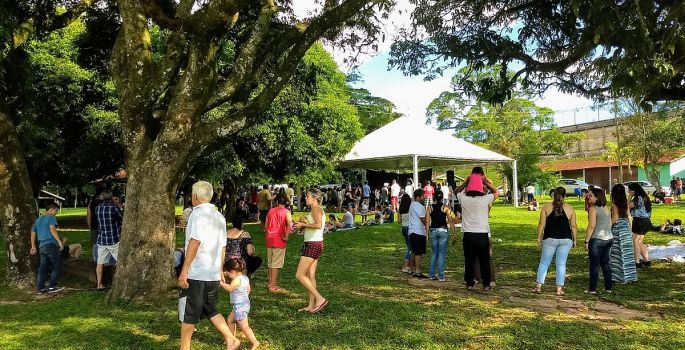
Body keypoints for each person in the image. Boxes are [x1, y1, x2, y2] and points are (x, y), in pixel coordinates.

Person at [178, 181, 239, 350]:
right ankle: (231, 339)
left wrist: (184, 270)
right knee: (210, 308)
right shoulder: (219, 216)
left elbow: (195, 241)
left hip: (197, 273)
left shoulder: (197, 215)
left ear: (195, 196)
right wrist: (219, 269)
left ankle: (184, 348)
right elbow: (222, 246)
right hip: (212, 273)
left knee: (189, 313)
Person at [455, 173, 499, 291]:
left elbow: (456, 191)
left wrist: (466, 182)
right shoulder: (484, 199)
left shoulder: (464, 199)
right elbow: (496, 192)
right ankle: (486, 284)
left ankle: (469, 283)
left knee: (469, 260)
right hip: (482, 235)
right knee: (484, 260)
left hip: (468, 235)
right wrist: (485, 182)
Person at [533, 187, 577, 296]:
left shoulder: (546, 207)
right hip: (566, 239)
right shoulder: (570, 208)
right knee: (561, 263)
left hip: (550, 238)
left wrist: (539, 237)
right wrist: (575, 239)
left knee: (544, 262)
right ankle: (559, 289)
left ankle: (538, 286)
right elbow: (574, 226)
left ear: (553, 195)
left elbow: (541, 224)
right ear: (565, 196)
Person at [293, 188, 329, 313]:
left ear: (314, 198)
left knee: (299, 275)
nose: (305, 198)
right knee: (310, 275)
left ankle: (319, 299)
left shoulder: (316, 209)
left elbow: (319, 225)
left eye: (307, 196)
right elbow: (313, 226)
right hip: (315, 243)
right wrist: (303, 223)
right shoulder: (314, 210)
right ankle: (311, 305)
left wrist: (303, 224)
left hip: (313, 245)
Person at [219, 259, 259, 350]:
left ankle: (255, 342)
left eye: (228, 272)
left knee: (245, 327)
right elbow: (248, 289)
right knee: (230, 320)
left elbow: (230, 288)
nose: (228, 274)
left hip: (239, 306)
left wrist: (221, 283)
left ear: (233, 271)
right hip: (243, 304)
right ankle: (232, 339)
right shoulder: (244, 277)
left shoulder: (236, 280)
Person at [30, 202, 65, 293]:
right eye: (56, 210)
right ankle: (52, 286)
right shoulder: (51, 218)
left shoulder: (37, 220)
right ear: (50, 210)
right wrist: (60, 242)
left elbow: (33, 233)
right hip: (50, 245)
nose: (56, 212)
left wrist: (33, 246)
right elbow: (52, 230)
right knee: (57, 265)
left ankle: (40, 287)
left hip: (41, 247)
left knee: (43, 267)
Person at [584, 188, 613, 294]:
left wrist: (587, 241)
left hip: (597, 239)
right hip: (609, 238)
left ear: (597, 197)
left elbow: (591, 226)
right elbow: (609, 223)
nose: (588, 196)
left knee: (594, 265)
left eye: (591, 195)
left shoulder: (593, 209)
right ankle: (608, 288)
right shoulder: (606, 208)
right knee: (605, 264)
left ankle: (592, 289)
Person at [609, 183, 638, 284]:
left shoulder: (614, 205)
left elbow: (614, 218)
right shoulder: (625, 203)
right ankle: (630, 276)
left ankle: (618, 277)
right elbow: (629, 217)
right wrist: (630, 230)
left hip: (617, 230)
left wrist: (606, 228)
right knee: (627, 254)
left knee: (617, 254)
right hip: (626, 228)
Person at [95, 190, 123, 290]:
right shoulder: (113, 208)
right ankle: (121, 283)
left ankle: (99, 284)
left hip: (101, 239)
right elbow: (121, 218)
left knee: (100, 263)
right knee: (121, 261)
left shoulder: (97, 208)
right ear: (111, 198)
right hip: (113, 239)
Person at [264, 194, 292, 292]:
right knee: (276, 264)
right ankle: (273, 285)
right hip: (279, 239)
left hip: (269, 238)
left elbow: (266, 225)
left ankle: (270, 282)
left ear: (276, 202)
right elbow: (290, 224)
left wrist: (268, 232)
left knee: (270, 262)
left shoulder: (271, 211)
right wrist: (286, 236)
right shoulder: (286, 212)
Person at [426, 191, 453, 282]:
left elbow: (427, 221)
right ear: (442, 198)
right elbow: (450, 220)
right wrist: (454, 233)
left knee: (435, 253)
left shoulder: (430, 207)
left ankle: (432, 274)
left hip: (433, 230)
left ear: (433, 197)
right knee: (441, 253)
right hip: (443, 231)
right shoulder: (445, 207)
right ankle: (441, 275)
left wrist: (427, 234)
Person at [628, 182, 652, 268]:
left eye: (629, 190)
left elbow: (627, 206)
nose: (628, 192)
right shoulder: (646, 197)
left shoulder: (638, 198)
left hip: (639, 221)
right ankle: (647, 260)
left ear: (633, 190)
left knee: (635, 241)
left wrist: (630, 196)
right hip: (647, 221)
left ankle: (637, 262)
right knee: (639, 241)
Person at [408, 189, 428, 278]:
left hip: (412, 231)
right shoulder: (418, 206)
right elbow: (424, 220)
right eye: (422, 196)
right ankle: (417, 270)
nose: (424, 198)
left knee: (414, 251)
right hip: (418, 231)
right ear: (417, 197)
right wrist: (429, 226)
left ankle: (411, 268)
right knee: (418, 252)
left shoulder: (412, 204)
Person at [398, 193, 413, 274]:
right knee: (410, 247)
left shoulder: (400, 208)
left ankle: (410, 264)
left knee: (409, 246)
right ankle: (405, 265)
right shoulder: (411, 208)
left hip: (403, 228)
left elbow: (399, 221)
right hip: (410, 228)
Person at [87, 191, 103, 263]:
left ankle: (94, 258)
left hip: (94, 226)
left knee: (94, 242)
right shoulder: (106, 202)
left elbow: (89, 216)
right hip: (103, 226)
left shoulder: (91, 203)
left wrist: (90, 226)